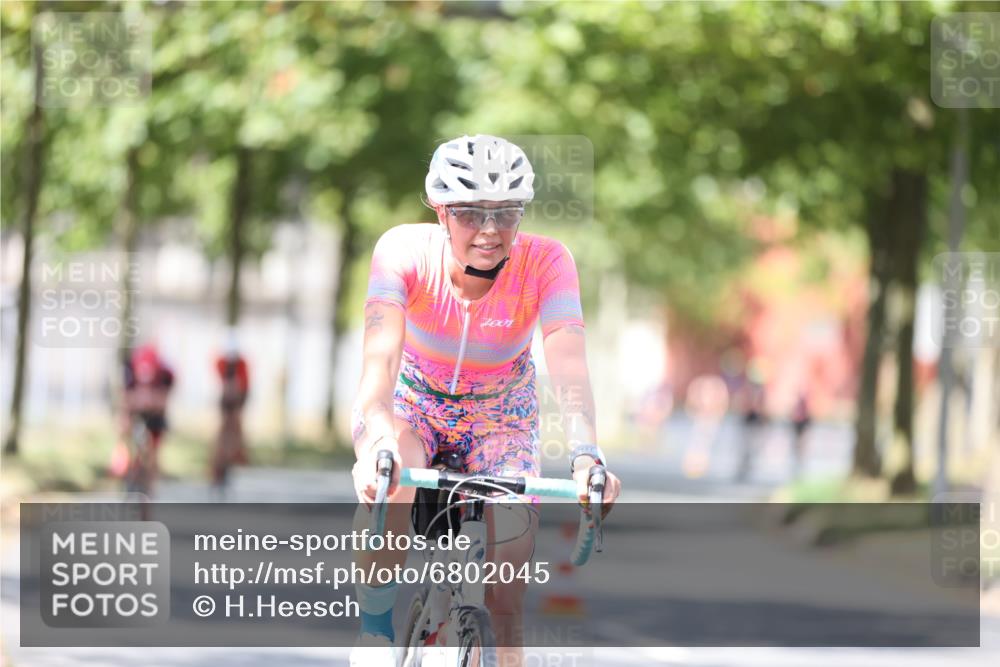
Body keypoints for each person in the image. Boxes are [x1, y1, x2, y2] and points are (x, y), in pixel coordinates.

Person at [350, 134, 621, 666]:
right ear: (441, 210)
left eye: (507, 213)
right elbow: (378, 366)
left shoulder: (548, 263)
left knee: (507, 588)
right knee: (391, 477)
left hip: (503, 418)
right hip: (414, 409)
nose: (491, 231)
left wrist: (588, 452)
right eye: (472, 213)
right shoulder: (402, 251)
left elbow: (568, 362)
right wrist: (375, 442)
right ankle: (376, 631)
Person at [117, 343, 175, 488]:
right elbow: (125, 399)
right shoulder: (129, 370)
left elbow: (163, 402)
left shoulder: (165, 373)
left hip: (155, 415)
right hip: (136, 413)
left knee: (153, 452)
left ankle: (149, 484)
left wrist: (152, 403)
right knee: (127, 434)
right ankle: (129, 469)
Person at [212, 335, 250, 489]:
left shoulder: (242, 365)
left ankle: (234, 462)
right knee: (222, 435)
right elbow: (223, 385)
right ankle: (219, 470)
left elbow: (242, 386)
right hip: (226, 401)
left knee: (235, 433)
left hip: (237, 401)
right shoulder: (221, 363)